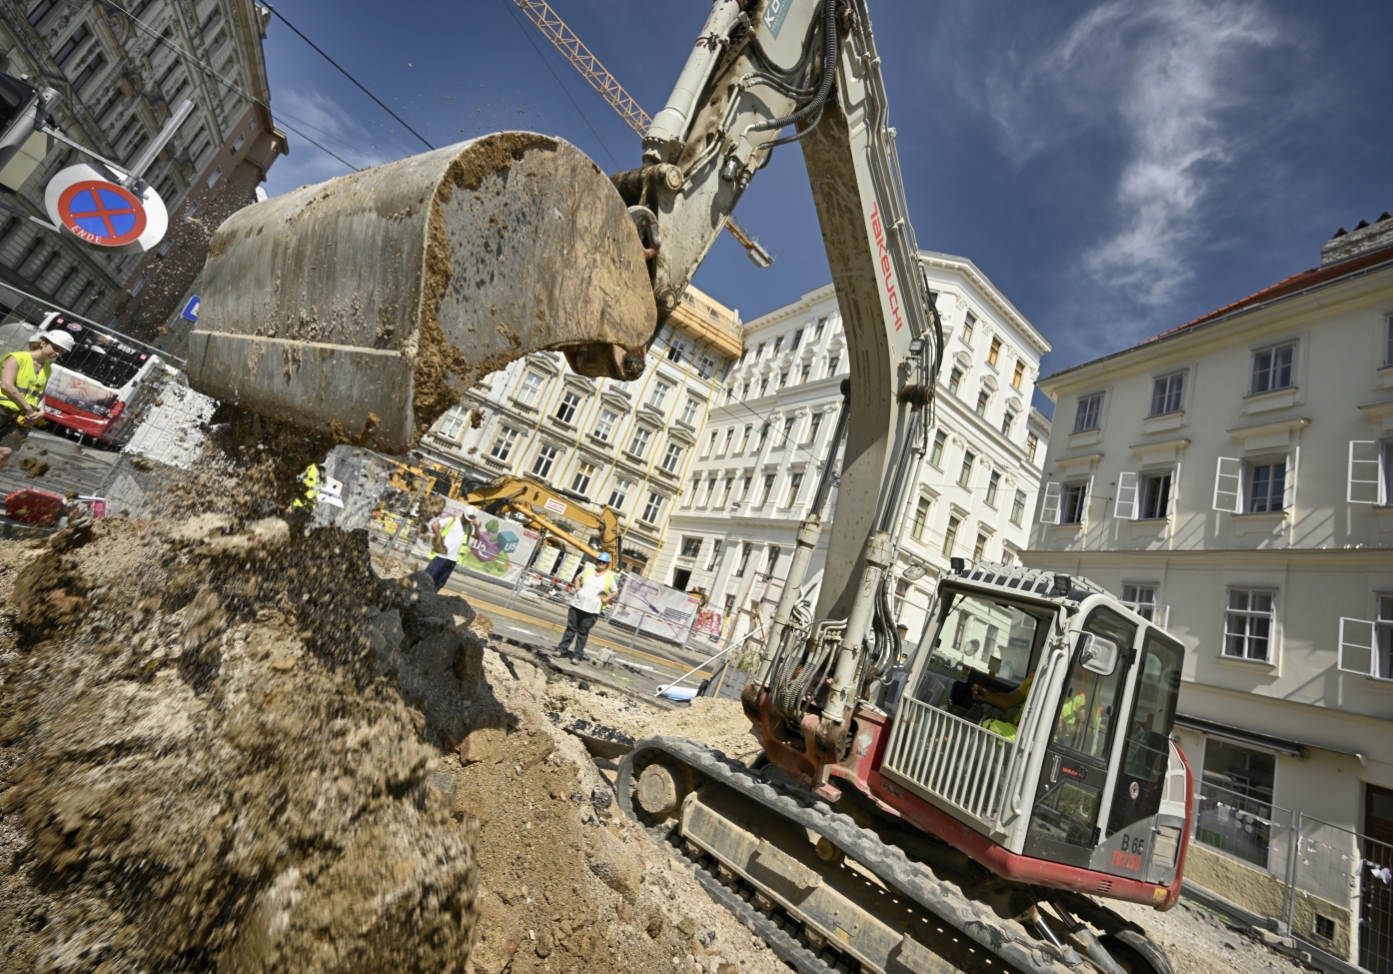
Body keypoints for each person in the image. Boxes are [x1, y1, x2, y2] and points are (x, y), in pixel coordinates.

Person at [0, 329, 72, 468]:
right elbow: (6, 385)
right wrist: (27, 407)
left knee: (5, 453)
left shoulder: (47, 368)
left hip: (23, 416)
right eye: (55, 348)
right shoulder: (16, 358)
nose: (56, 353)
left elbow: (39, 392)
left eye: (61, 352)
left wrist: (41, 410)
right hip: (3, 409)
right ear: (43, 343)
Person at [556, 552, 620, 661]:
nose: (601, 563)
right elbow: (578, 578)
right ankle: (562, 649)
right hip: (577, 604)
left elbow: (615, 592)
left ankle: (577, 655)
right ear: (596, 562)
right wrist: (577, 588)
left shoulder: (608, 578)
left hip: (592, 609)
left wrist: (605, 599)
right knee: (571, 628)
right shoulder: (589, 571)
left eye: (603, 562)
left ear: (607, 565)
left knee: (583, 632)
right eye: (599, 561)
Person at [424, 506, 476, 592]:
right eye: (467, 519)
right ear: (463, 513)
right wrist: (440, 538)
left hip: (452, 560)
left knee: (439, 583)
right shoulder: (452, 520)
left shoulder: (470, 527)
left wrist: (476, 526)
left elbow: (477, 536)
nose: (467, 521)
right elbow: (434, 525)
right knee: (427, 578)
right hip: (441, 556)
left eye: (469, 520)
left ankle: (430, 598)